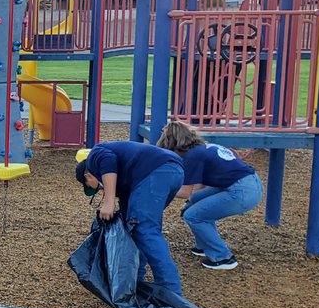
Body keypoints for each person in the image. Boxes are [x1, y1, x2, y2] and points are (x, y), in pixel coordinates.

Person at [75, 140, 185, 295]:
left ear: (88, 176)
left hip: (155, 172)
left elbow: (108, 160)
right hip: (174, 171)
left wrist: (109, 201)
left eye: (94, 186)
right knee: (137, 229)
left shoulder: (95, 155)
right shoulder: (125, 182)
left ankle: (171, 292)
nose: (100, 188)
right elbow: (128, 215)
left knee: (146, 231)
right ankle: (135, 281)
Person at [156, 121, 264, 271]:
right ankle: (204, 245)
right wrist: (192, 202)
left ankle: (223, 257)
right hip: (249, 183)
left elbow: (185, 192)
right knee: (193, 205)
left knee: (193, 216)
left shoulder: (192, 156)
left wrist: (159, 188)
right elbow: (197, 190)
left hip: (242, 191)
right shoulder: (203, 149)